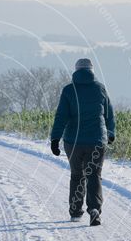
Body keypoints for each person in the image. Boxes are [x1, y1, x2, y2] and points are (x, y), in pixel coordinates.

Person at [49, 58, 115, 226]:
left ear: (76, 71)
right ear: (92, 71)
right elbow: (109, 113)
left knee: (77, 175)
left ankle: (76, 211)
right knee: (94, 175)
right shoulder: (100, 89)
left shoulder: (69, 90)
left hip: (74, 141)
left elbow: (61, 116)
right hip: (96, 141)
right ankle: (94, 209)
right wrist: (111, 132)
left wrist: (55, 139)